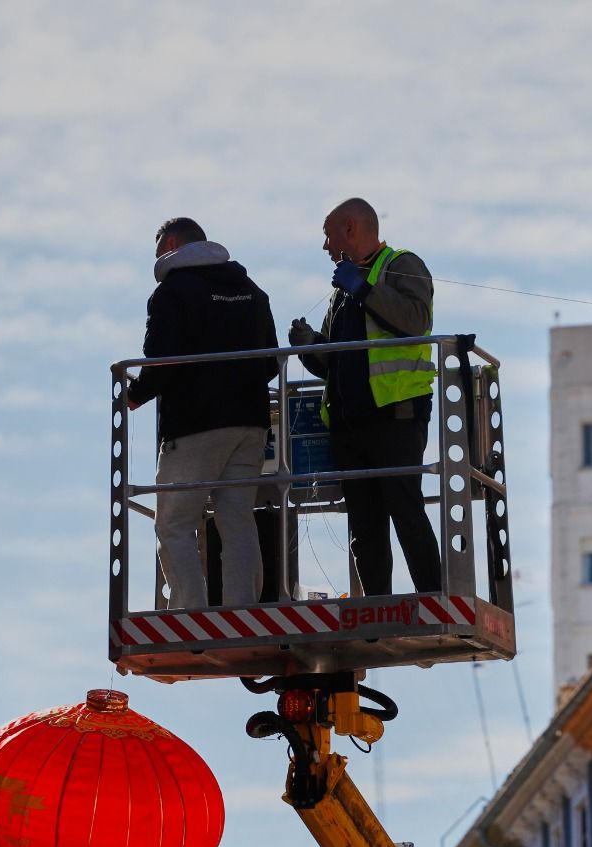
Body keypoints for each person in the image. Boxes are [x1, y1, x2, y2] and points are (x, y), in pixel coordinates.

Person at [290, 198, 442, 596]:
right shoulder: (341, 290)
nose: (325, 247)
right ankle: (376, 602)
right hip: (350, 424)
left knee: (406, 509)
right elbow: (331, 364)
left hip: (394, 416)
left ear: (351, 228)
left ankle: (431, 594)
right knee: (364, 523)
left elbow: (416, 321)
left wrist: (365, 289)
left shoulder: (401, 265)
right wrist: (309, 346)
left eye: (329, 235)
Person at [127, 217, 278, 610]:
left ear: (172, 243)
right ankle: (242, 609)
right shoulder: (251, 291)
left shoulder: (171, 293)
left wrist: (135, 395)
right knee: (237, 517)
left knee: (175, 522)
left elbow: (161, 362)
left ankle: (189, 611)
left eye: (158, 248)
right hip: (250, 424)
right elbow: (271, 364)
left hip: (194, 427)